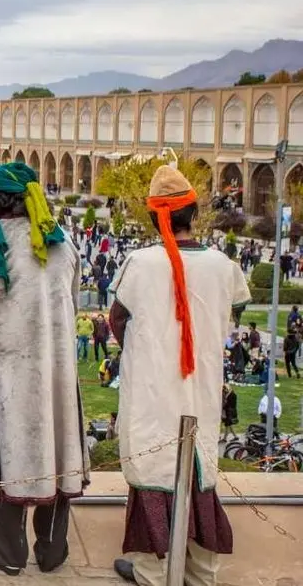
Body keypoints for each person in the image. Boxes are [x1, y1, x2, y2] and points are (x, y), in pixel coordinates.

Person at [109, 165, 251, 585]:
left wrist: (152, 350)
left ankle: (153, 571)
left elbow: (118, 321)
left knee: (154, 469)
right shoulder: (223, 265)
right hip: (200, 387)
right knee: (198, 470)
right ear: (194, 212)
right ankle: (200, 570)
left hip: (153, 389)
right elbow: (233, 310)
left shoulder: (140, 264)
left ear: (156, 218)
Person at [0, 162, 88, 577]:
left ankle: (8, 550)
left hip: (6, 367)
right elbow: (72, 302)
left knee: (4, 455)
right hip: (56, 368)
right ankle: (52, 550)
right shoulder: (62, 242)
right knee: (58, 449)